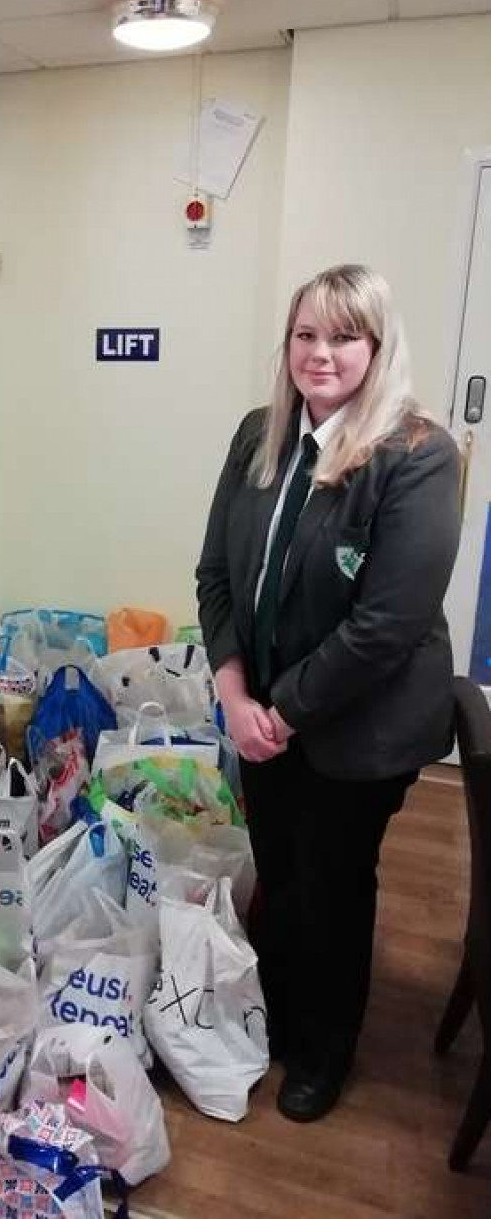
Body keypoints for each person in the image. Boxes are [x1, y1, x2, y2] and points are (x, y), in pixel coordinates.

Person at [196, 264, 461, 1122]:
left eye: (344, 336)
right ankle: (276, 1014)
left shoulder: (417, 456)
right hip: (265, 711)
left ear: (377, 349)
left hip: (361, 726)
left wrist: (281, 710)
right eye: (306, 334)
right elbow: (216, 576)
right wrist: (235, 693)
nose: (321, 353)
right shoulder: (257, 435)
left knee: (333, 882)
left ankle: (325, 1047)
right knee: (279, 868)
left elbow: (387, 624)